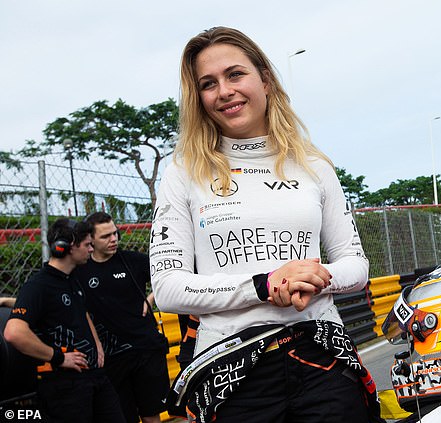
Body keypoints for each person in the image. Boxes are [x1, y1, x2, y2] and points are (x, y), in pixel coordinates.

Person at [150, 26, 380, 423]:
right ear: (198, 99)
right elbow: (168, 288)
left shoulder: (314, 165)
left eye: (235, 74)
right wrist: (264, 284)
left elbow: (355, 265)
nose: (224, 91)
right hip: (231, 368)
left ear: (266, 81)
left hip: (321, 353)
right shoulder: (182, 172)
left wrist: (312, 278)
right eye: (208, 84)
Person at [3, 218, 125, 423]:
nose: (91, 249)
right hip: (65, 386)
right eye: (87, 245)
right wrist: (59, 357)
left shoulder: (71, 278)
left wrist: (97, 344)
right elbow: (13, 332)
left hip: (94, 376)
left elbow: (81, 311)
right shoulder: (39, 286)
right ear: (66, 247)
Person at [73, 212, 169, 423]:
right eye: (105, 236)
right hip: (111, 358)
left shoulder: (131, 260)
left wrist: (151, 297)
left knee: (151, 415)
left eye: (115, 233)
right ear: (91, 240)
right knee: (121, 416)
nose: (113, 239)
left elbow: (168, 274)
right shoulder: (81, 270)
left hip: (145, 350)